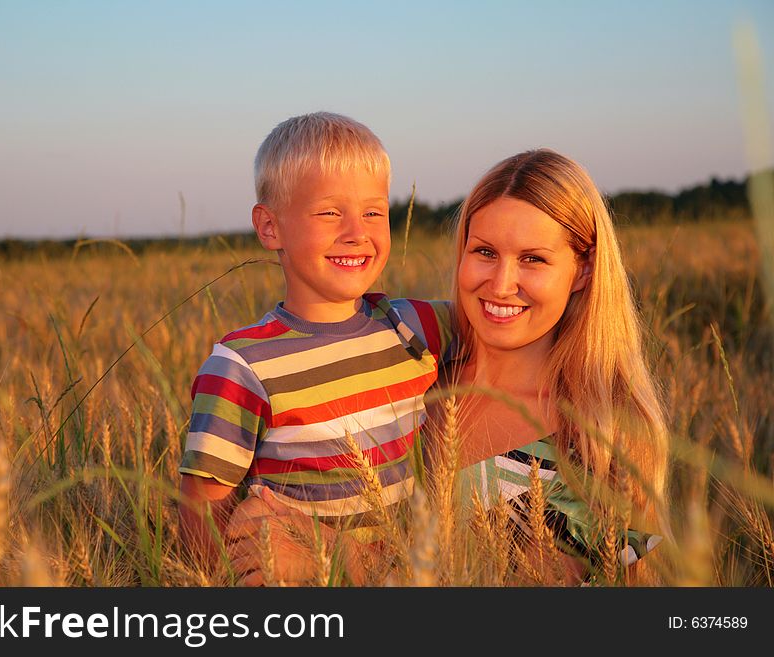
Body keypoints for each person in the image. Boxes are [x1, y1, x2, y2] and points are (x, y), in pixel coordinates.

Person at [177, 112, 455, 585]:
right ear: (270, 228)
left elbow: (509, 339)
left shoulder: (416, 325)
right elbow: (202, 510)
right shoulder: (241, 366)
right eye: (330, 212)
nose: (356, 231)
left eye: (373, 211)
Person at [426, 148, 669, 584]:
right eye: (484, 251)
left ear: (583, 269)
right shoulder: (407, 385)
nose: (501, 284)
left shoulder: (599, 434)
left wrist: (339, 554)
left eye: (532, 259)